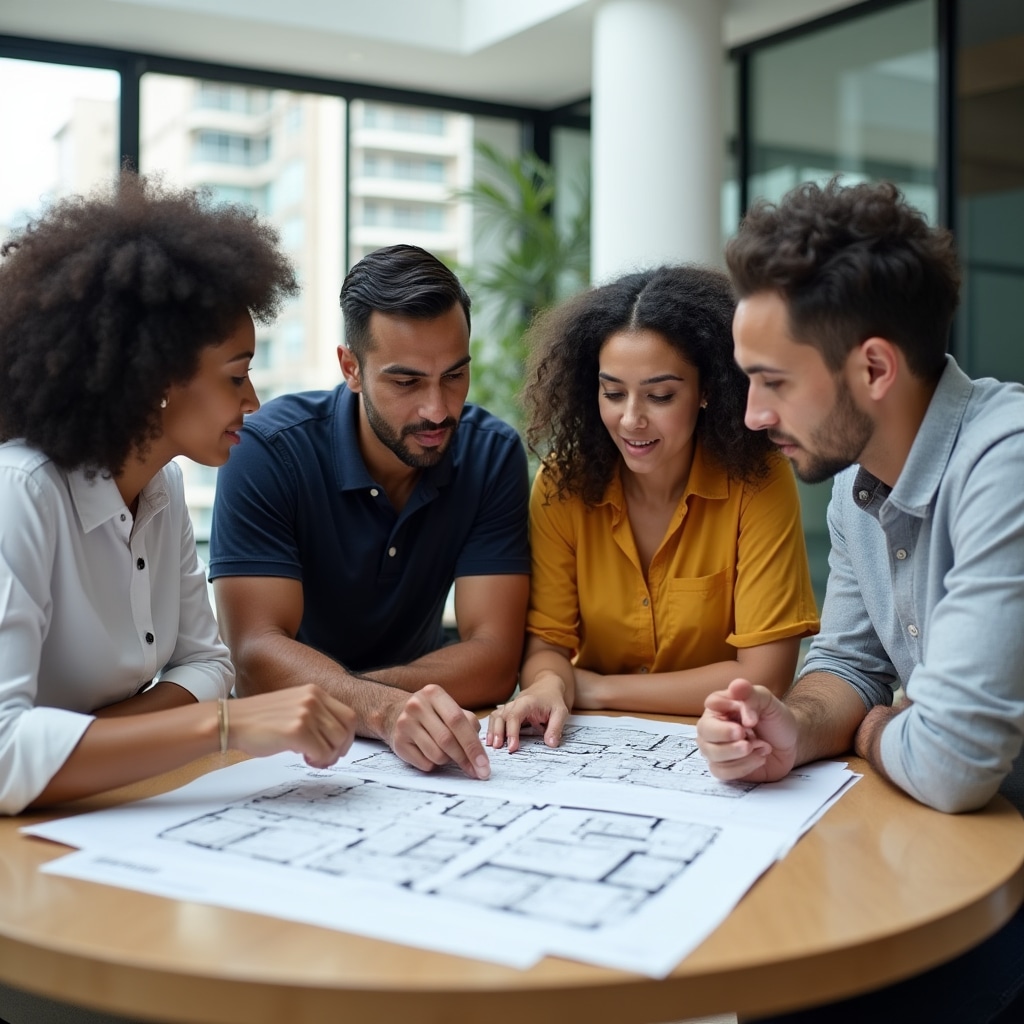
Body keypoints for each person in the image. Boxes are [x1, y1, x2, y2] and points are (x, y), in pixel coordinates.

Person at [696, 179, 1024, 1024]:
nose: (753, 414)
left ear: (873, 367)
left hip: (1004, 862)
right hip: (961, 847)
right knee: (779, 980)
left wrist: (876, 727)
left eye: (771, 382)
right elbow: (848, 664)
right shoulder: (854, 490)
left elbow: (951, 761)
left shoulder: (1007, 462)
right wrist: (792, 727)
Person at [0, 173, 357, 816]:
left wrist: (99, 742)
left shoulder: (162, 486)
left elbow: (207, 665)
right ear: (157, 377)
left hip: (102, 811)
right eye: (237, 376)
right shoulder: (21, 495)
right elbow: (3, 756)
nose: (252, 402)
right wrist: (226, 728)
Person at [209, 244, 531, 781]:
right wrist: (376, 708)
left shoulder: (490, 453)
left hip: (423, 744)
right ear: (350, 368)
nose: (437, 409)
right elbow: (255, 656)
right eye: (406, 382)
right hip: (284, 754)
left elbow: (495, 660)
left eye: (454, 376)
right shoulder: (267, 450)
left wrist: (359, 698)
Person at [487, 265, 819, 752]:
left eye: (660, 395)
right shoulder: (564, 482)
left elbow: (764, 675)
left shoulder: (758, 481)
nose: (631, 419)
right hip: (591, 752)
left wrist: (591, 687)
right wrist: (549, 685)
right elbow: (547, 646)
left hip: (720, 749)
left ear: (707, 390)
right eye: (613, 392)